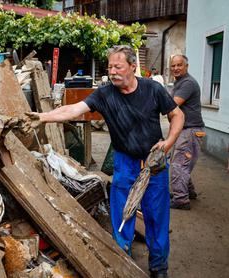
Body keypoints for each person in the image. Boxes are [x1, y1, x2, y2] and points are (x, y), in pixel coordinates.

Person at [26, 45, 184, 278]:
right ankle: (122, 260)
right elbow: (72, 110)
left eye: (118, 66)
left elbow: (177, 115)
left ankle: (159, 267)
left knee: (156, 216)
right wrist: (43, 117)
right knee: (122, 214)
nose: (112, 71)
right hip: (125, 162)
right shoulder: (105, 94)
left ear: (132, 66)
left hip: (154, 163)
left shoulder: (153, 89)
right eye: (110, 67)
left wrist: (168, 143)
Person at [169, 55, 205, 210]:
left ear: (186, 66)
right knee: (183, 163)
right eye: (173, 66)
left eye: (179, 65)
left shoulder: (187, 83)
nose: (176, 68)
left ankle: (181, 199)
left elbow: (172, 104)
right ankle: (188, 192)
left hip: (190, 130)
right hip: (187, 129)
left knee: (178, 165)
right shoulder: (180, 82)